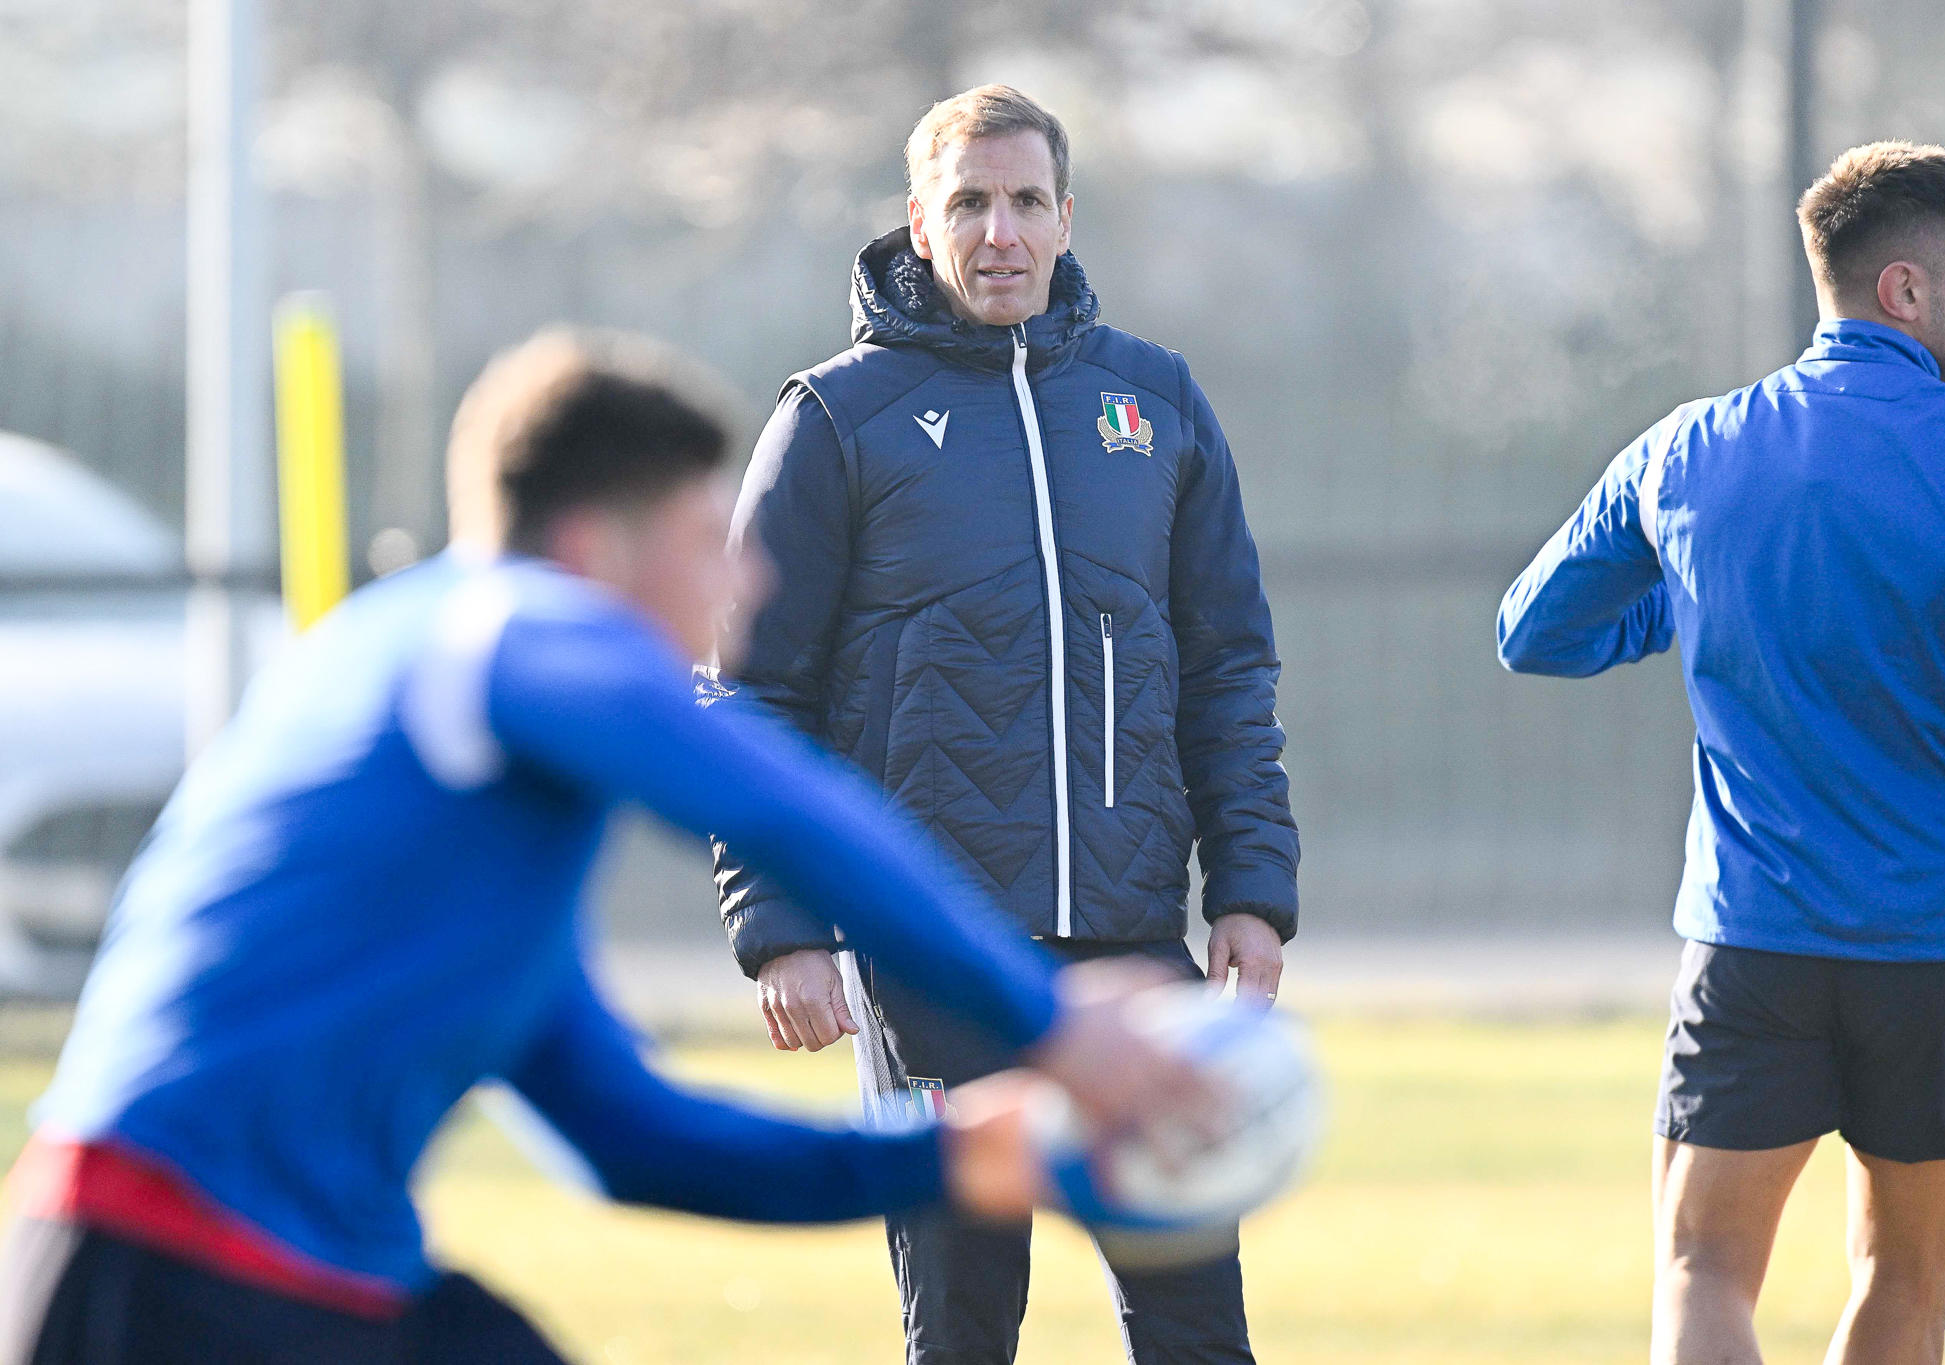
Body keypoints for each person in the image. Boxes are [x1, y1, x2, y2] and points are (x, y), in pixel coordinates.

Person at [0, 329, 1209, 1363]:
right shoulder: (500, 628)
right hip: (158, 1274)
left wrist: (951, 1158)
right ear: (595, 552)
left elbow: (631, 1140)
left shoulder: (480, 826)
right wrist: (1049, 1025)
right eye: (705, 532)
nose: (748, 573)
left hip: (300, 1286)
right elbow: (777, 805)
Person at [707, 85, 1298, 1365]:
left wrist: (1249, 889)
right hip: (930, 949)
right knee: (963, 1331)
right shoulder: (831, 419)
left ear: (1065, 217)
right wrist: (780, 929)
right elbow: (753, 695)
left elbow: (1226, 669)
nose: (999, 234)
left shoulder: (1156, 401)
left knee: (1196, 1325)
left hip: (1137, 944)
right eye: (967, 203)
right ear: (919, 226)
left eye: (1025, 201)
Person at [1497, 142, 1945, 1365]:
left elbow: (1532, 632)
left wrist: (1691, 597)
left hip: (1754, 944)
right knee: (1906, 1283)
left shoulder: (1686, 448)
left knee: (1701, 1274)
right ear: (1905, 291)